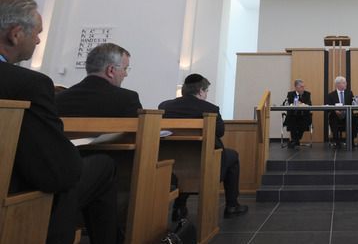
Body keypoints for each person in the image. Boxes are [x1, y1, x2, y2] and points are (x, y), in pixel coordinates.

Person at [0, 0, 118, 244]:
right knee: (98, 167)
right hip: (13, 201)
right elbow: (58, 171)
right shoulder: (28, 84)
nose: (39, 41)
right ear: (15, 34)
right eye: (37, 33)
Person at [158, 74, 248, 220]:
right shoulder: (210, 109)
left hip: (171, 165)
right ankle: (232, 205)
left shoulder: (165, 106)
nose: (206, 95)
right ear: (200, 91)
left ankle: (179, 206)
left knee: (184, 158)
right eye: (206, 91)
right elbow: (220, 132)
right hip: (205, 162)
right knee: (232, 156)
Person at [56, 43, 142, 117]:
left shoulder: (58, 99)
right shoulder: (128, 100)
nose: (125, 74)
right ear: (111, 70)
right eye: (125, 69)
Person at [325, 76, 358, 148]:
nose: (346, 84)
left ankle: (351, 140)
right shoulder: (331, 95)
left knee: (356, 119)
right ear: (338, 84)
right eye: (344, 83)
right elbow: (327, 107)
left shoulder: (349, 93)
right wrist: (335, 110)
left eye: (345, 82)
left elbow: (353, 105)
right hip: (336, 116)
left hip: (347, 115)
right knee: (332, 119)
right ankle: (337, 142)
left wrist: (356, 102)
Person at [284, 79, 312, 148]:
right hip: (293, 115)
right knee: (292, 121)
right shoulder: (290, 94)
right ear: (296, 87)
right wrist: (292, 104)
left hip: (303, 116)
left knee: (303, 122)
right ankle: (295, 141)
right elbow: (287, 103)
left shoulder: (307, 94)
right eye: (301, 87)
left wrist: (302, 104)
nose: (303, 88)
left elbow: (309, 104)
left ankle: (294, 141)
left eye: (303, 86)